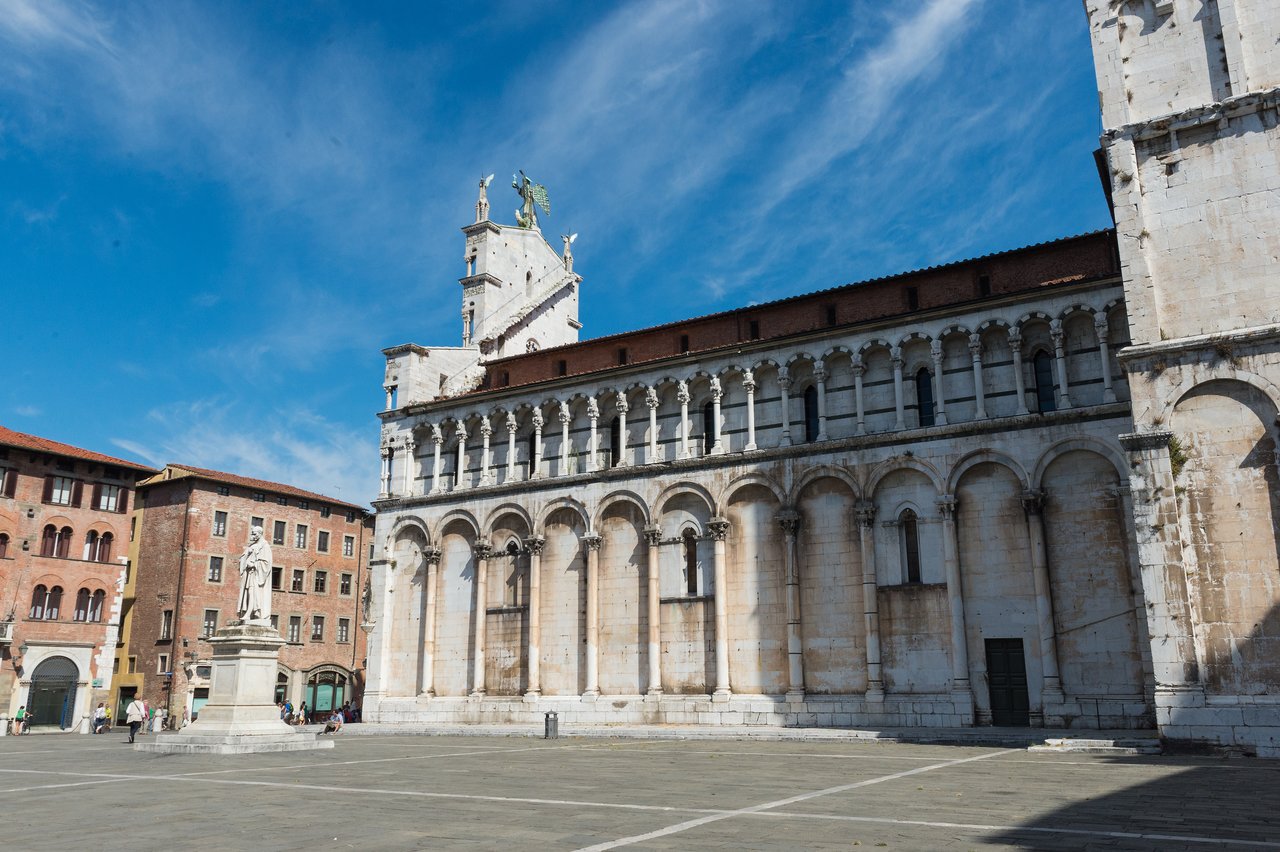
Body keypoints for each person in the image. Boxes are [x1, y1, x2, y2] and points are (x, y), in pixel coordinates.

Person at [237, 525, 273, 623]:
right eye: (252, 533)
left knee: (252, 593)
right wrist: (247, 555)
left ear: (260, 533)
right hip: (250, 574)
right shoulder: (252, 546)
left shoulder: (265, 546)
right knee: (249, 594)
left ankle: (249, 614)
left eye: (255, 533)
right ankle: (249, 613)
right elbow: (241, 559)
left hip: (256, 574)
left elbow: (267, 563)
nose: (253, 535)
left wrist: (253, 564)